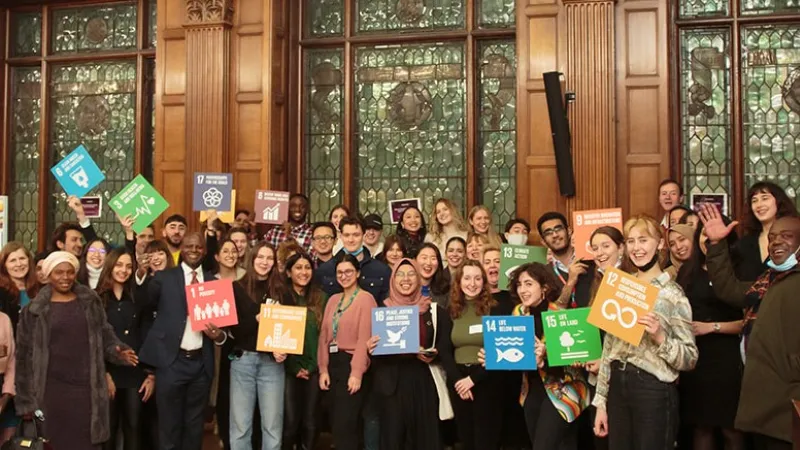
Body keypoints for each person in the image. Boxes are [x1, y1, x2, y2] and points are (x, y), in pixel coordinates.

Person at [592, 215, 698, 450]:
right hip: (618, 387)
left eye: (643, 240)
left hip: (653, 390)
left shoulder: (673, 294)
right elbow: (609, 348)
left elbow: (690, 357)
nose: (637, 248)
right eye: (631, 241)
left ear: (659, 244)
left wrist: (660, 336)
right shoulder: (620, 284)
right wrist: (601, 403)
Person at [15, 251, 138, 450]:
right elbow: (23, 358)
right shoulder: (34, 311)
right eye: (59, 273)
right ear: (48, 275)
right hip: (50, 393)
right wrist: (26, 401)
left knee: (86, 443)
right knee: (52, 443)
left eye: (70, 272)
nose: (65, 277)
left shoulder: (90, 302)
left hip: (87, 391)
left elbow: (105, 334)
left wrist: (117, 351)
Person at [701, 205, 800, 449]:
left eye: (786, 236)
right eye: (773, 237)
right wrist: (716, 245)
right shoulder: (769, 281)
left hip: (789, 407)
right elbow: (728, 288)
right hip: (763, 405)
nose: (776, 242)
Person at [479, 263, 591, 449]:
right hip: (531, 392)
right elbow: (514, 356)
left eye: (529, 284)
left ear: (544, 288)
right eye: (520, 285)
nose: (523, 290)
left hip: (562, 392)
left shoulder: (561, 315)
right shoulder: (518, 314)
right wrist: (491, 356)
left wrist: (546, 357)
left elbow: (575, 361)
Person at [138, 232, 228, 450]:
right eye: (189, 246)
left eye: (198, 247)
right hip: (171, 362)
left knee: (194, 427)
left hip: (200, 364)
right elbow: (143, 304)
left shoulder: (215, 283)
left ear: (205, 251)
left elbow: (224, 332)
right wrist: (141, 273)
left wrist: (218, 336)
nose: (194, 250)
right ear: (181, 250)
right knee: (169, 426)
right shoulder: (164, 277)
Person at [674, 218, 744, 450]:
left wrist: (712, 327)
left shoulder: (738, 270)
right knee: (701, 426)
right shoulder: (688, 270)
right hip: (697, 359)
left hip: (729, 357)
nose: (707, 240)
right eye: (703, 235)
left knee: (730, 427)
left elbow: (752, 321)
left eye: (712, 235)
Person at [366, 259, 444, 450]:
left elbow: (444, 344)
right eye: (400, 274)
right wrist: (370, 348)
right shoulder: (381, 310)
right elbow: (377, 352)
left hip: (422, 383)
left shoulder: (432, 311)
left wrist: (435, 353)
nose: (406, 279)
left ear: (418, 278)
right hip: (391, 385)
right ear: (392, 280)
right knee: (393, 440)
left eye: (411, 274)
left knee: (424, 440)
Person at [226, 242, 287, 450]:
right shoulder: (237, 288)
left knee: (272, 426)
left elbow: (290, 328)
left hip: (272, 364)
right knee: (240, 426)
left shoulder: (281, 291)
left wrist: (283, 350)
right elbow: (234, 331)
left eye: (269, 258)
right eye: (260, 257)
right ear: (252, 260)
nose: (264, 262)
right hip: (243, 361)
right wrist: (258, 319)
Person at [438, 261, 502, 450]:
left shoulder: (495, 309)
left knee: (486, 440)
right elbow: (444, 350)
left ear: (483, 282)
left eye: (477, 278)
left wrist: (472, 380)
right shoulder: (450, 311)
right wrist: (459, 381)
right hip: (458, 383)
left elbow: (499, 351)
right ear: (459, 281)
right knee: (466, 439)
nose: (472, 283)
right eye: (467, 278)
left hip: (486, 381)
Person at [317, 254, 377, 450]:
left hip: (351, 365)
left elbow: (364, 338)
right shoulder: (333, 299)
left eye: (349, 271)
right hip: (333, 366)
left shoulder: (366, 299)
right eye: (340, 272)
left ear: (358, 273)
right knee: (336, 424)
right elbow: (324, 336)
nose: (344, 276)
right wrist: (323, 369)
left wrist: (356, 373)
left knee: (346, 427)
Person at [96, 248, 154, 450]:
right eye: (119, 265)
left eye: (129, 266)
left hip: (134, 372)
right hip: (108, 372)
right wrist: (104, 373)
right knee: (108, 431)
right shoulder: (97, 299)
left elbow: (147, 335)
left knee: (134, 428)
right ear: (110, 266)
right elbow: (94, 340)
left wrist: (150, 374)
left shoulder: (138, 297)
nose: (124, 270)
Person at [282, 252, 327, 450]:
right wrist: (294, 368)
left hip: (314, 369)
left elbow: (324, 337)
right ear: (289, 272)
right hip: (287, 370)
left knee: (310, 421)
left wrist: (311, 367)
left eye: (307, 267)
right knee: (290, 423)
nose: (303, 272)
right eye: (298, 268)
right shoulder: (281, 297)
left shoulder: (322, 298)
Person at [316, 216, 392, 305]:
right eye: (347, 235)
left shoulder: (382, 270)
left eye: (356, 235)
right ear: (340, 236)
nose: (351, 240)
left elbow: (385, 307)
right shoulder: (325, 270)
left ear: (364, 235)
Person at [733, 181, 798, 282]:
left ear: (779, 201)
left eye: (765, 198)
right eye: (754, 201)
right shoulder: (744, 244)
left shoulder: (795, 238)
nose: (759, 205)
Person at [536, 212, 594, 308]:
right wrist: (570, 282)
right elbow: (551, 315)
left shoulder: (591, 261)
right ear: (543, 242)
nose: (555, 235)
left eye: (558, 229)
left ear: (569, 231)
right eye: (548, 233)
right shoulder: (542, 274)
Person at [0, 242, 40, 327]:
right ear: (4, 266)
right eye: (12, 260)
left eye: (22, 258)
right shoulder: (1, 293)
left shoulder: (39, 289)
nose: (19, 264)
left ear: (29, 261)